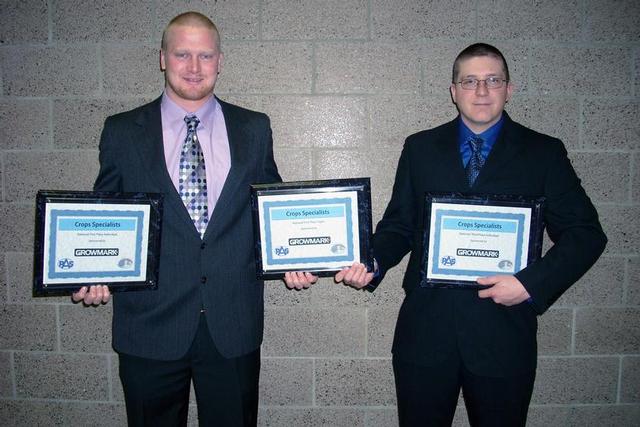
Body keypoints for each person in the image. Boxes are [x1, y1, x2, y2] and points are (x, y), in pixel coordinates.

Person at [334, 43, 607, 426]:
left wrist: (529, 284)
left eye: (493, 80)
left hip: (504, 334)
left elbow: (586, 234)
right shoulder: (420, 148)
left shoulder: (544, 153)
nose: (482, 91)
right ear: (454, 91)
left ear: (508, 89)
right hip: (426, 334)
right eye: (470, 81)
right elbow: (399, 226)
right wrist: (372, 261)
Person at [73, 12, 316, 426]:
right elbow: (106, 212)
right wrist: (92, 272)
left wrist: (292, 257)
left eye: (205, 55)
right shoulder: (122, 131)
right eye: (182, 54)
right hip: (149, 325)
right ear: (163, 58)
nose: (194, 66)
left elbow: (270, 212)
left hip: (232, 323)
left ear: (220, 60)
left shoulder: (254, 128)